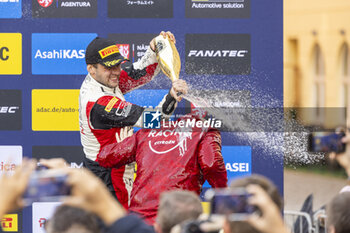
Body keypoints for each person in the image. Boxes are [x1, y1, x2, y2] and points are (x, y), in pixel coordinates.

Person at [79, 31, 188, 209]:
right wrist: (172, 97)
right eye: (109, 67)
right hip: (108, 177)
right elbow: (153, 119)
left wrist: (155, 48)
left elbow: (140, 73)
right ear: (91, 69)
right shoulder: (99, 103)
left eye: (117, 65)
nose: (116, 72)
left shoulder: (103, 79)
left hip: (113, 168)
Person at [97, 114, 228, 224]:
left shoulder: (147, 132)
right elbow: (212, 164)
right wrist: (225, 193)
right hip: (178, 216)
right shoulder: (205, 129)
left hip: (141, 218)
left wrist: (122, 144)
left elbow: (104, 157)